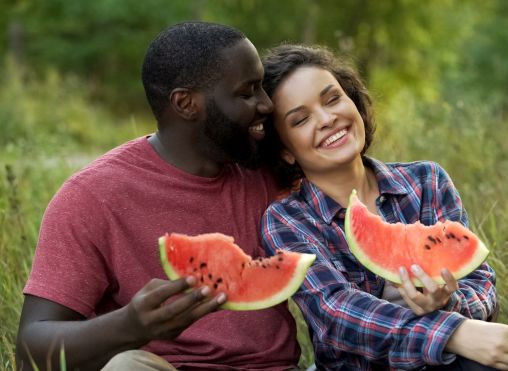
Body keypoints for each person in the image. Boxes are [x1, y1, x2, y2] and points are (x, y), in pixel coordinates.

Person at [15, 22, 301, 371]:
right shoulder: (92, 197)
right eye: (247, 92)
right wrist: (128, 327)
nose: (267, 104)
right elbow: (31, 346)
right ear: (186, 103)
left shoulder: (265, 168)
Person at [259, 44, 508, 370]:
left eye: (333, 98)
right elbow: (336, 313)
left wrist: (451, 301)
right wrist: (453, 333)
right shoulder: (286, 220)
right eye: (301, 119)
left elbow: (482, 287)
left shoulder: (425, 181)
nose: (327, 118)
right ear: (284, 151)